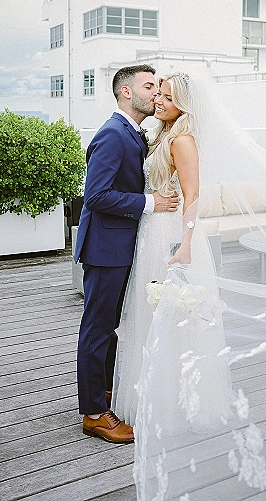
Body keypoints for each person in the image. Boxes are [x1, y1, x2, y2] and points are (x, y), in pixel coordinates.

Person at [112, 72, 232, 430]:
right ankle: (154, 398)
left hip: (171, 233)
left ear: (184, 105)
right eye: (158, 94)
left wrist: (186, 244)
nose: (159, 101)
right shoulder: (160, 135)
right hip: (150, 229)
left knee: (173, 317)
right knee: (149, 317)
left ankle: (178, 405)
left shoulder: (182, 140)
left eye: (167, 97)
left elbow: (192, 196)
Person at [74, 64, 179, 444]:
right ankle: (94, 415)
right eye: (149, 86)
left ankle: (103, 393)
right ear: (126, 92)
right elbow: (96, 196)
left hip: (121, 246)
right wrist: (151, 203)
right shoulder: (113, 134)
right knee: (97, 329)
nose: (156, 93)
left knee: (111, 327)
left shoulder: (133, 133)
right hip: (106, 249)